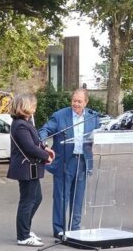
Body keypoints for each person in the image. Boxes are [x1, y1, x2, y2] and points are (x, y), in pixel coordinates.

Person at [38, 89, 101, 238]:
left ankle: (75, 228)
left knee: (78, 197)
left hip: (83, 161)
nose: (76, 104)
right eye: (74, 100)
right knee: (61, 197)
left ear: (86, 102)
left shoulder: (93, 117)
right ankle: (59, 230)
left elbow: (98, 134)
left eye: (79, 101)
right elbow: (45, 129)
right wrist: (43, 143)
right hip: (65, 161)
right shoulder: (60, 115)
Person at [7, 93, 55, 247]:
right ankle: (23, 235)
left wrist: (46, 149)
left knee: (36, 198)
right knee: (27, 201)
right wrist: (45, 156)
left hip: (31, 168)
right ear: (25, 106)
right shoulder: (20, 125)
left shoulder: (24, 123)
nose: (35, 107)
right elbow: (28, 147)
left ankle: (25, 229)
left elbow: (35, 142)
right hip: (26, 167)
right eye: (33, 105)